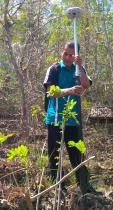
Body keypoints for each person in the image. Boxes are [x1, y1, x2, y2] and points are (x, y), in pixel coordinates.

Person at [43, 41, 97, 194]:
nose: (67, 57)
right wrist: (70, 90)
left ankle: (85, 186)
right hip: (56, 118)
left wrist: (80, 67)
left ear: (76, 56)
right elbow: (50, 92)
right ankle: (58, 187)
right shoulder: (54, 69)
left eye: (70, 55)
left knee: (77, 153)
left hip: (73, 118)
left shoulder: (79, 69)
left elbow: (86, 85)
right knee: (54, 154)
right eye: (65, 53)